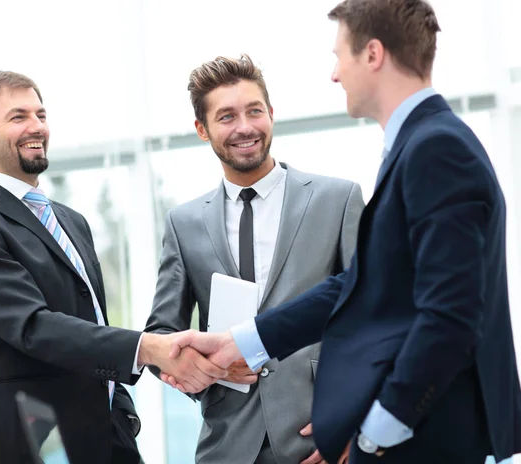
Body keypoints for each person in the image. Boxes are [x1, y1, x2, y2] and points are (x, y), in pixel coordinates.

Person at [167, 2, 521, 464]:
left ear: (372, 54)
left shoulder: (436, 149)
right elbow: (362, 288)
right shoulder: (421, 145)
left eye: (340, 56)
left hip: (434, 436)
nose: (335, 74)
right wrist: (242, 341)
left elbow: (450, 315)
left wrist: (374, 431)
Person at [0, 71, 227, 464]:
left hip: (106, 437)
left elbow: (93, 321)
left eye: (41, 114)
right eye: (18, 117)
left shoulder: (71, 222)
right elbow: (33, 327)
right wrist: (147, 347)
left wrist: (121, 411)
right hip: (26, 444)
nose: (36, 126)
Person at [145, 54, 364, 464]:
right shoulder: (183, 222)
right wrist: (207, 370)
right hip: (227, 446)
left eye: (254, 111)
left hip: (321, 438)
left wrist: (359, 420)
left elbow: (374, 311)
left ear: (272, 114)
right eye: (226, 116)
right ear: (201, 129)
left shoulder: (338, 199)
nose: (244, 127)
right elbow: (161, 333)